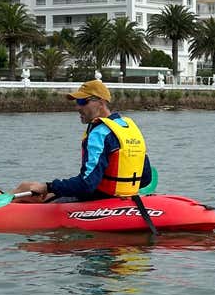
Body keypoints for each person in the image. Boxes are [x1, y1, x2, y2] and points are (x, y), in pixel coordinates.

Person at [13, 80, 152, 203]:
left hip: (98, 199)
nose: (77, 107)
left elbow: (86, 184)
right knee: (27, 187)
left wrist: (48, 187)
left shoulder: (99, 133)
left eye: (82, 102)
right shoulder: (130, 128)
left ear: (101, 102)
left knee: (26, 188)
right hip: (124, 198)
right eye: (77, 102)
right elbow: (145, 178)